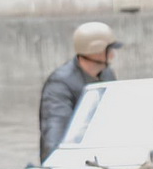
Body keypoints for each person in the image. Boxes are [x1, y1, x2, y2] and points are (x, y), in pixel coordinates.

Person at [39, 22, 121, 160]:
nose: (113, 55)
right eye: (110, 49)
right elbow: (55, 132)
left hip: (103, 153)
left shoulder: (107, 74)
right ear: (97, 51)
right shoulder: (59, 84)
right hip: (77, 159)